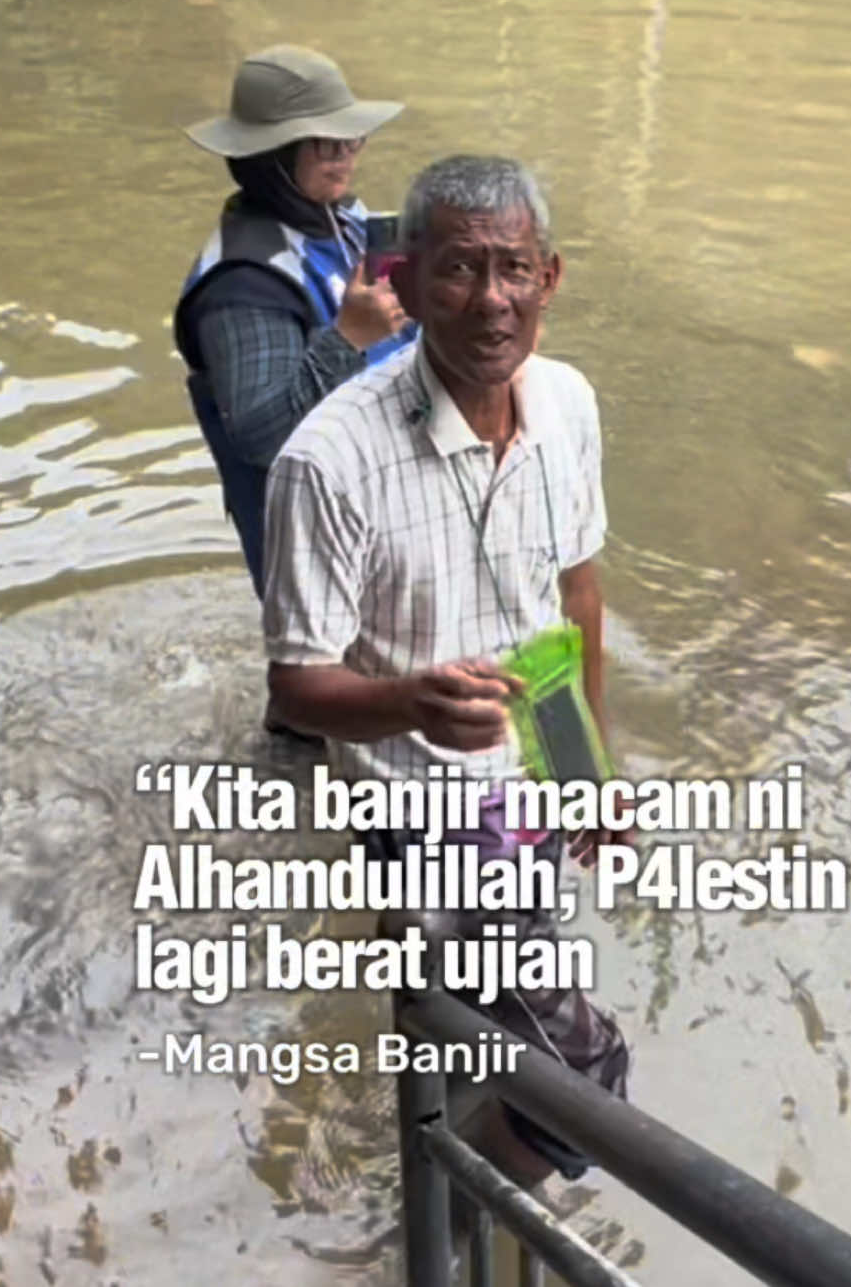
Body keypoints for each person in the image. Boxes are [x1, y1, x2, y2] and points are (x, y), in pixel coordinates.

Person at [264, 154, 630, 1187]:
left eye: (513, 268)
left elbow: (575, 601)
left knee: (489, 1005)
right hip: (420, 809)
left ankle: (446, 1143)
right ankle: (445, 1214)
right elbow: (297, 683)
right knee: (588, 1074)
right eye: (460, 270)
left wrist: (585, 768)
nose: (491, 300)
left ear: (550, 277)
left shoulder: (567, 405)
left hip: (528, 786)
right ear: (407, 282)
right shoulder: (327, 461)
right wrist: (406, 700)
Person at [174, 45, 411, 598]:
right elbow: (263, 435)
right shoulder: (242, 284)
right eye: (327, 143)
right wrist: (350, 337)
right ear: (271, 155)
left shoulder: (344, 221)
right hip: (320, 547)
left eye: (352, 137)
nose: (348, 153)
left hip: (387, 507)